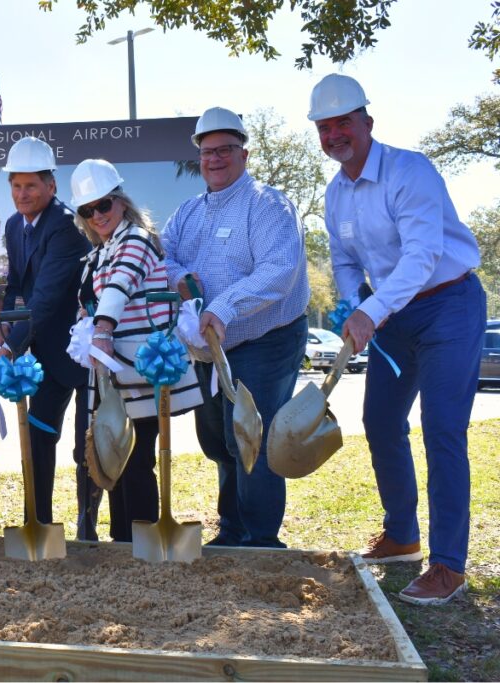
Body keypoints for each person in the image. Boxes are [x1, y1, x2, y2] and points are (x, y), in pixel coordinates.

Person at [309, 74, 485, 604]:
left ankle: (448, 565)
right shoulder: (335, 193)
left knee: (442, 428)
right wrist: (352, 303)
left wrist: (372, 308)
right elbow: (343, 259)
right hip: (393, 317)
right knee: (381, 421)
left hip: (447, 305)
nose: (336, 133)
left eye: (344, 122)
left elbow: (422, 256)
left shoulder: (411, 172)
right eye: (325, 126)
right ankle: (402, 536)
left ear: (367, 122)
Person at [162, 107, 309, 548]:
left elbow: (280, 271)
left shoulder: (268, 206)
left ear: (244, 154)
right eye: (208, 151)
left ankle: (261, 541)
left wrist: (224, 306)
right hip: (210, 348)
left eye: (225, 149)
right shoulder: (186, 213)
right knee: (220, 440)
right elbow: (162, 255)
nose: (215, 158)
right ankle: (233, 529)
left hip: (266, 339)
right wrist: (178, 277)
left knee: (252, 439)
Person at [71, 159, 202, 542]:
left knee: (137, 459)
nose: (96, 215)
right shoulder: (100, 250)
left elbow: (120, 286)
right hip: (115, 372)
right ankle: (123, 540)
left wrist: (102, 328)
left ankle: (142, 540)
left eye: (103, 205)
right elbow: (98, 295)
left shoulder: (137, 240)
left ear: (121, 202)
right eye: (87, 210)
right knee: (116, 456)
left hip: (143, 368)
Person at [0, 137, 98, 539]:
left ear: (51, 186)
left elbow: (47, 297)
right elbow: (17, 285)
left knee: (85, 447)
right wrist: (1, 327)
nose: (22, 194)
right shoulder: (14, 225)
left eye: (31, 186)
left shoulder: (66, 227)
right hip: (43, 353)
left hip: (80, 351)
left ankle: (88, 530)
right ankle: (39, 523)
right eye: (16, 186)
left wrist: (11, 343)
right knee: (39, 436)